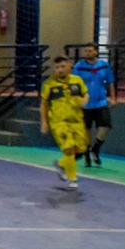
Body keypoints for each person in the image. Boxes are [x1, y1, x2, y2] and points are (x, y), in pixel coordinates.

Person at [38, 56, 89, 191]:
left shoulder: (77, 80)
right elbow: (44, 104)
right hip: (59, 122)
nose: (60, 70)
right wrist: (44, 122)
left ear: (69, 67)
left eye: (62, 67)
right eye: (57, 67)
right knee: (69, 149)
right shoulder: (49, 84)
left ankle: (61, 165)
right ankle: (73, 179)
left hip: (77, 120)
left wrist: (84, 100)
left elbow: (86, 94)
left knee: (81, 149)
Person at [70, 43, 115, 166]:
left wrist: (112, 98)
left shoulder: (104, 65)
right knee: (86, 130)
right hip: (85, 104)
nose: (88, 53)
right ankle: (86, 157)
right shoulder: (79, 67)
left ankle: (96, 149)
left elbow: (110, 82)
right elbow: (74, 84)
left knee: (106, 125)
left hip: (101, 102)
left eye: (90, 51)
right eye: (86, 51)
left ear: (96, 52)